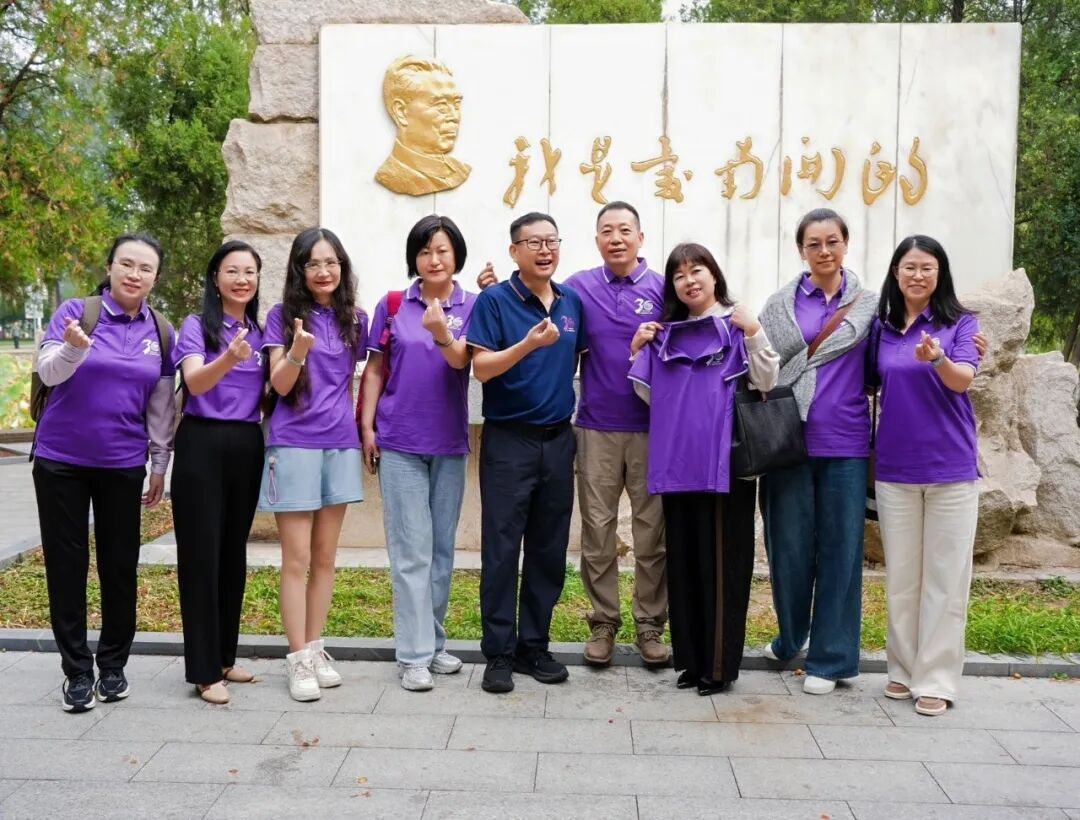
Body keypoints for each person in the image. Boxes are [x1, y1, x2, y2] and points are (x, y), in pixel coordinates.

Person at [478, 201, 669, 667]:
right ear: (596, 239)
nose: (616, 239)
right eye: (607, 231)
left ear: (641, 237)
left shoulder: (660, 290)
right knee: (594, 533)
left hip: (648, 429)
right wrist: (491, 291)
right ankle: (600, 623)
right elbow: (515, 313)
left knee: (648, 534)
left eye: (625, 230)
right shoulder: (579, 289)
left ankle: (648, 625)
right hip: (590, 429)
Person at [32, 233, 175, 712]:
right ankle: (77, 671)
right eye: (126, 264)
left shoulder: (162, 331)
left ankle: (113, 665)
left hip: (123, 464)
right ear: (110, 267)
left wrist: (160, 463)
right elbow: (48, 372)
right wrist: (73, 348)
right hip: (60, 461)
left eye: (145, 268)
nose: (135, 274)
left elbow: (160, 406)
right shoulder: (76, 312)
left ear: (156, 277)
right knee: (66, 567)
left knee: (119, 567)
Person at [628, 243, 778, 694]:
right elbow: (647, 393)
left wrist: (754, 333)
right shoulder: (665, 334)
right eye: (679, 275)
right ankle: (691, 662)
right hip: (677, 463)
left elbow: (766, 381)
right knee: (684, 562)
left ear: (714, 275)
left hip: (725, 466)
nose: (689, 281)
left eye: (697, 271)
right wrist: (639, 348)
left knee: (723, 566)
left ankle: (718, 667)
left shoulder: (738, 324)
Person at [756, 209, 877, 695]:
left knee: (841, 551)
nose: (824, 251)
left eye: (832, 241)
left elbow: (881, 367)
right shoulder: (779, 304)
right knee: (786, 547)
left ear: (845, 244)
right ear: (801, 250)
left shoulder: (870, 306)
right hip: (785, 439)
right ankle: (791, 637)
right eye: (813, 243)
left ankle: (830, 659)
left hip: (845, 442)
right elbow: (761, 365)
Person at [466, 212, 587, 694]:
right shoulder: (495, 301)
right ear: (514, 251)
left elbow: (580, 359)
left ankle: (533, 645)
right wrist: (527, 345)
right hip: (508, 441)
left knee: (548, 549)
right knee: (501, 549)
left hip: (558, 440)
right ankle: (498, 652)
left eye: (551, 241)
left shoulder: (572, 302)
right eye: (533, 242)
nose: (544, 250)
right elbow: (481, 368)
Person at [360, 215, 477, 692]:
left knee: (441, 551)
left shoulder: (474, 305)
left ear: (456, 256)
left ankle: (433, 642)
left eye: (443, 250)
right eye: (425, 251)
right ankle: (412, 656)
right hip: (400, 442)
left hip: (449, 443)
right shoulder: (393, 305)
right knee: (411, 553)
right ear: (414, 257)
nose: (434, 259)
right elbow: (374, 370)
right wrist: (367, 426)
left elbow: (465, 361)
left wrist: (442, 330)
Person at [871, 235, 981, 717]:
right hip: (894, 468)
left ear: (940, 274)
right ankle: (901, 668)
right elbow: (868, 382)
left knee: (945, 578)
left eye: (927, 268)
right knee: (902, 576)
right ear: (896, 273)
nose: (918, 275)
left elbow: (962, 380)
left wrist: (937, 358)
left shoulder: (962, 323)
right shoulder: (882, 328)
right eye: (910, 267)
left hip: (951, 468)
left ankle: (935, 679)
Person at [258, 227, 368, 702]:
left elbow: (356, 380)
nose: (324, 271)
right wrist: (298, 353)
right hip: (294, 444)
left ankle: (316, 647)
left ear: (341, 267)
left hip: (339, 444)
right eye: (314, 263)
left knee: (325, 558)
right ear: (299, 270)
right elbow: (280, 386)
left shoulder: (355, 319)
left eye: (331, 262)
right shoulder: (281, 317)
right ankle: (297, 657)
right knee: (296, 559)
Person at [171, 240, 265, 704]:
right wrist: (229, 357)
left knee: (232, 553)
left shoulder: (262, 331)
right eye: (232, 271)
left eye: (249, 272)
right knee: (201, 556)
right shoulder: (197, 325)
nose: (242, 279)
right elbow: (194, 381)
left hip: (246, 444)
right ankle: (204, 671)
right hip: (202, 443)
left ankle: (225, 657)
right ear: (215, 277)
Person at [374, 56, 471, 196]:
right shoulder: (393, 175)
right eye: (441, 105)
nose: (454, 117)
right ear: (401, 111)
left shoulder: (460, 171)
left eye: (456, 104)